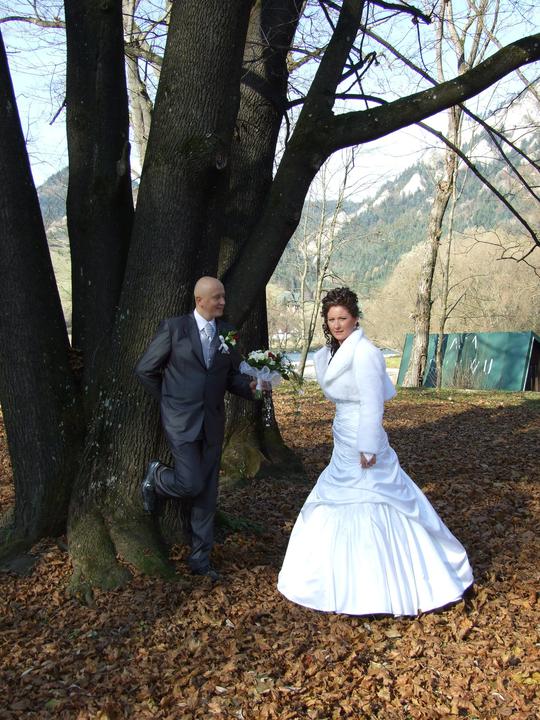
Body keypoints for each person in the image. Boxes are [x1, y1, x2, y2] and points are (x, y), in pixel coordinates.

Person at [277, 287, 473, 616]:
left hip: (363, 436)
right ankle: (333, 584)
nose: (337, 324)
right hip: (342, 436)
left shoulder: (365, 352)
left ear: (355, 319)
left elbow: (372, 402)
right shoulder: (329, 354)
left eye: (343, 318)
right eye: (332, 319)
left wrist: (368, 447)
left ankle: (385, 589)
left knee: (376, 496)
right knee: (335, 498)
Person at [135, 276, 255, 581]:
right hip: (181, 423)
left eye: (223, 296)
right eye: (217, 298)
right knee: (191, 484)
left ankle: (201, 560)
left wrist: (252, 387)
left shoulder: (227, 333)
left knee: (207, 494)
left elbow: (232, 377)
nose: (223, 302)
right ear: (199, 300)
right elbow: (146, 369)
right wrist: (169, 401)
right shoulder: (174, 329)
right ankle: (158, 476)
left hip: (213, 423)